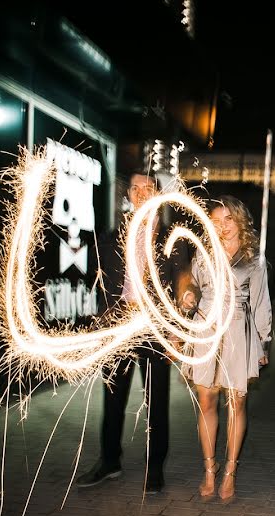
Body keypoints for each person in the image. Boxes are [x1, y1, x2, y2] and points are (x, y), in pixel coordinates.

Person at [77, 171, 190, 494]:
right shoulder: (111, 237)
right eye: (135, 187)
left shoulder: (173, 239)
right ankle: (109, 461)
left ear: (157, 193)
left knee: (156, 401)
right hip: (119, 329)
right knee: (112, 398)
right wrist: (101, 325)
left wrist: (178, 329)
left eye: (148, 188)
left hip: (155, 328)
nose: (141, 193)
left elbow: (182, 279)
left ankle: (155, 468)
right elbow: (101, 285)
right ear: (128, 193)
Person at [180, 196, 272, 500]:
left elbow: (261, 302)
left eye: (229, 219)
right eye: (216, 220)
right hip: (206, 328)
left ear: (240, 221)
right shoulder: (202, 253)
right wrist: (188, 296)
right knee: (207, 401)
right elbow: (191, 285)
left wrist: (262, 341)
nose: (223, 226)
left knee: (236, 404)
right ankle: (209, 467)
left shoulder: (254, 259)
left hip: (238, 331)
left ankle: (230, 470)